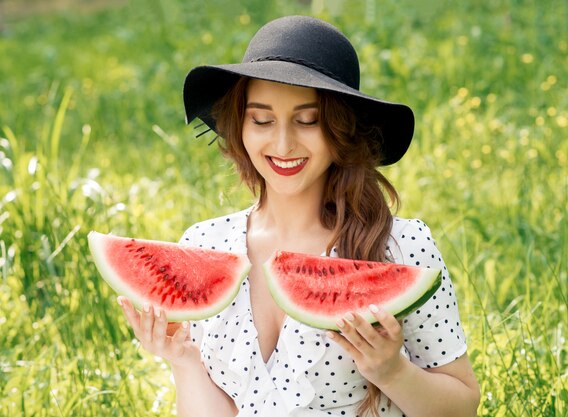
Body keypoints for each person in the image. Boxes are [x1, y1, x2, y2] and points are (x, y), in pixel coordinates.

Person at [117, 15, 480, 417]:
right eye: (262, 119)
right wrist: (182, 360)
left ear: (340, 130)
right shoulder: (204, 245)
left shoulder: (403, 246)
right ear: (240, 126)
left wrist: (393, 372)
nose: (284, 143)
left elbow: (462, 406)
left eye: (308, 120)